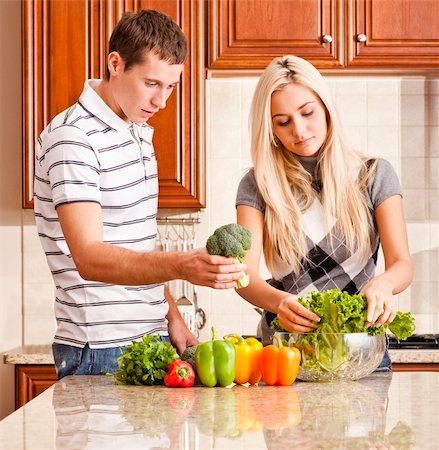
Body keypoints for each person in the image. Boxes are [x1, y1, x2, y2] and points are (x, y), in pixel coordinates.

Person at [34, 9, 247, 379]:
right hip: (100, 347)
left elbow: (136, 246)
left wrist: (173, 318)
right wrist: (182, 265)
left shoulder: (137, 131)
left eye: (171, 86)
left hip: (151, 338)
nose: (162, 100)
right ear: (115, 64)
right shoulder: (73, 137)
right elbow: (89, 257)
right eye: (151, 83)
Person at [235, 55, 413, 370]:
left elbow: (402, 264)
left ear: (325, 107)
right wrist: (281, 304)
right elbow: (244, 277)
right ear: (271, 127)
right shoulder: (258, 184)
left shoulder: (374, 175)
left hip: (360, 351)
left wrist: (384, 284)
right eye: (283, 121)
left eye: (307, 113)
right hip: (287, 354)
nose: (299, 130)